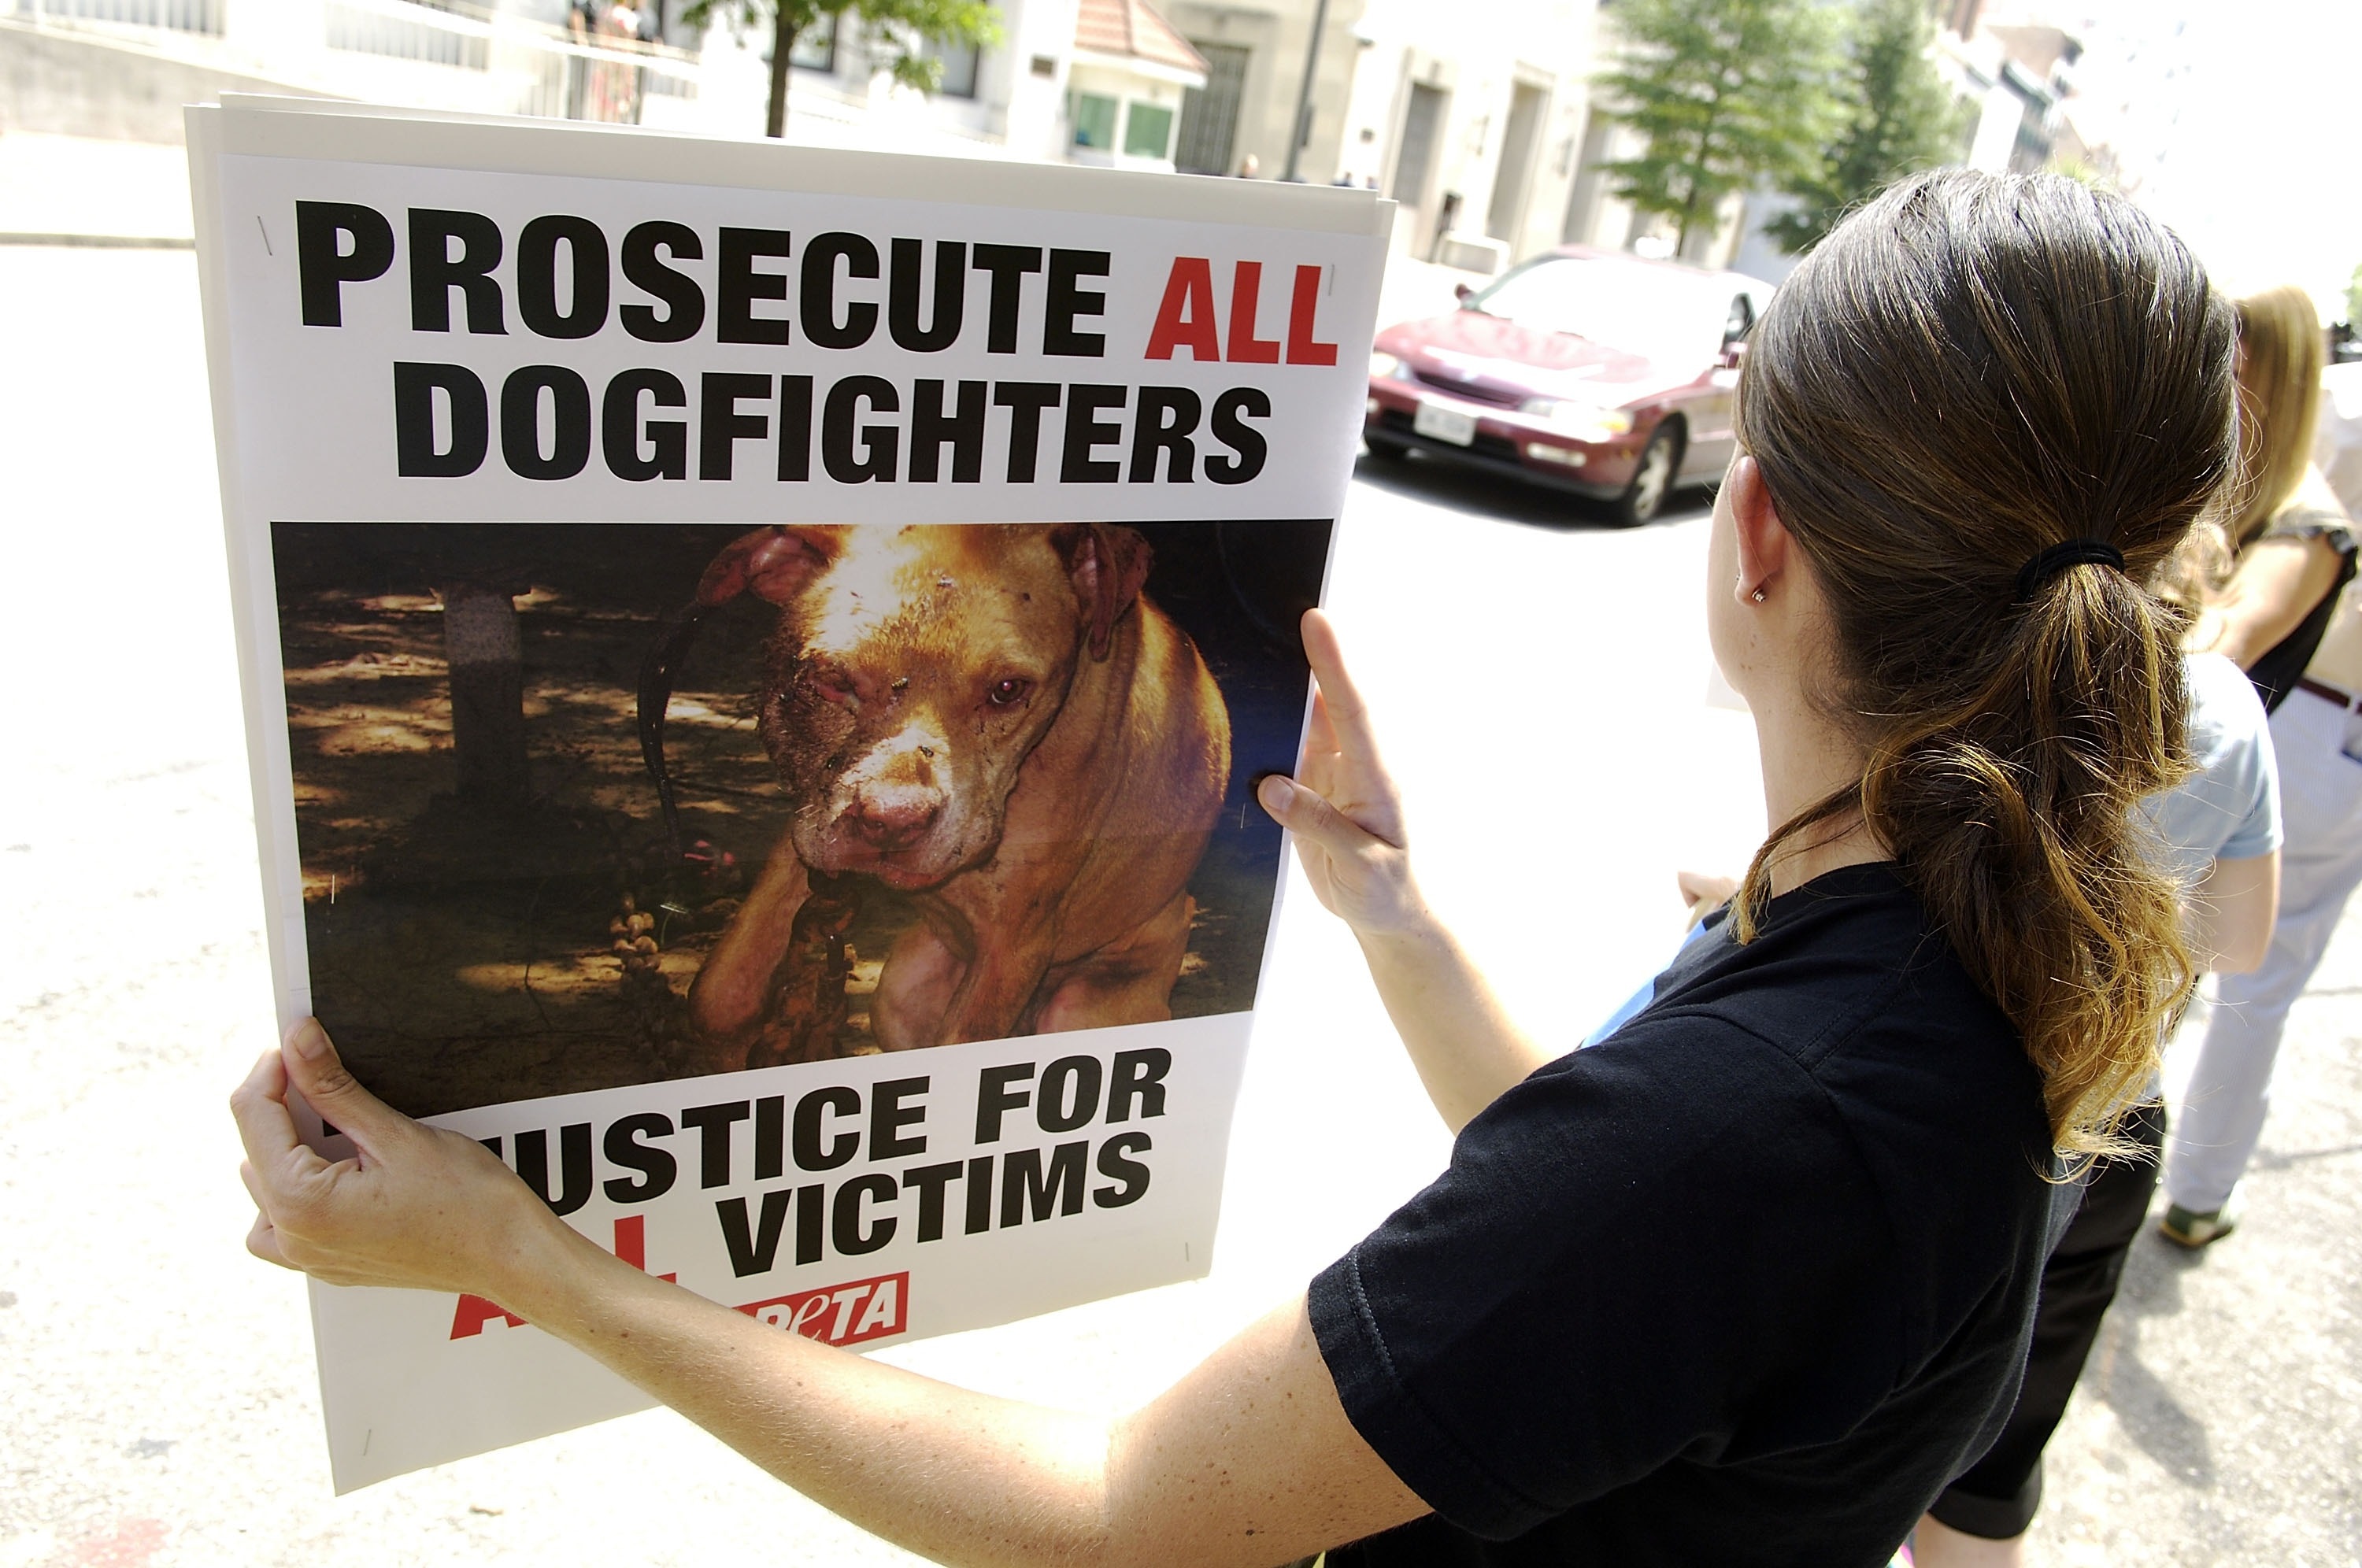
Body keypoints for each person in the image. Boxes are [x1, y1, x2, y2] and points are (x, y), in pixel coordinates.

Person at [230, 171, 2234, 1566]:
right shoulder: (1943, 953)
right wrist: (1393, 914)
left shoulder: (1772, 1099)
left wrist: (522, 1257)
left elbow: (1117, 1513)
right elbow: (1664, 1264)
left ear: (1761, 523)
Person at [1912, 645, 2282, 1566]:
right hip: (2104, 1119)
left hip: (1922, 1104)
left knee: (1833, 1444)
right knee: (1991, 1470)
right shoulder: (2228, 704)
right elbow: (2239, 941)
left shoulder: (1973, 637)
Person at [2162, 287, 2362, 1248]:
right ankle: (2191, 1188)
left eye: (2233, 361)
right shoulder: (2249, 490)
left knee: (2226, 972)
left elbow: (2228, 638)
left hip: (2270, 734)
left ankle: (2187, 1186)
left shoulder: (2306, 522)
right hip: (2273, 737)